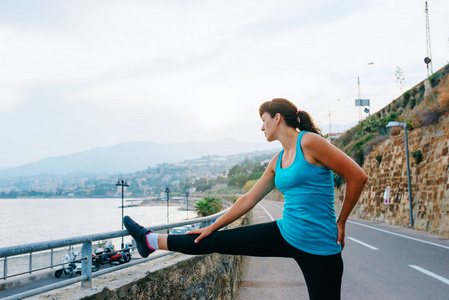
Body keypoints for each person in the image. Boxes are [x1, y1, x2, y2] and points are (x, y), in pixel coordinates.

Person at [124, 98, 367, 300]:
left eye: (263, 121)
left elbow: (357, 176)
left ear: (277, 118)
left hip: (320, 247)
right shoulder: (277, 161)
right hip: (286, 233)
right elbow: (249, 199)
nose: (262, 128)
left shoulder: (310, 142)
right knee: (212, 241)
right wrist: (212, 226)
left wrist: (341, 221)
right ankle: (149, 240)